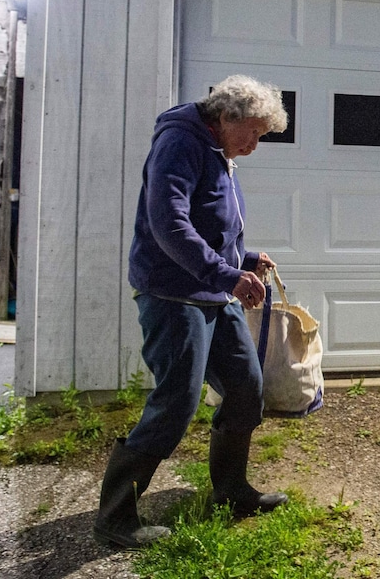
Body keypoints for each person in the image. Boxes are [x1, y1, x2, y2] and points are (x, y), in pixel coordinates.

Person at [93, 74, 290, 549]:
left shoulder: (216, 149)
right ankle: (115, 516)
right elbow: (169, 223)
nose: (256, 144)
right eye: (255, 133)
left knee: (245, 387)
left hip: (209, 290)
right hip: (172, 294)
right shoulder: (180, 143)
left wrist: (241, 261)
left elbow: (213, 222)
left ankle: (231, 490)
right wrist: (227, 276)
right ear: (226, 118)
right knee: (176, 402)